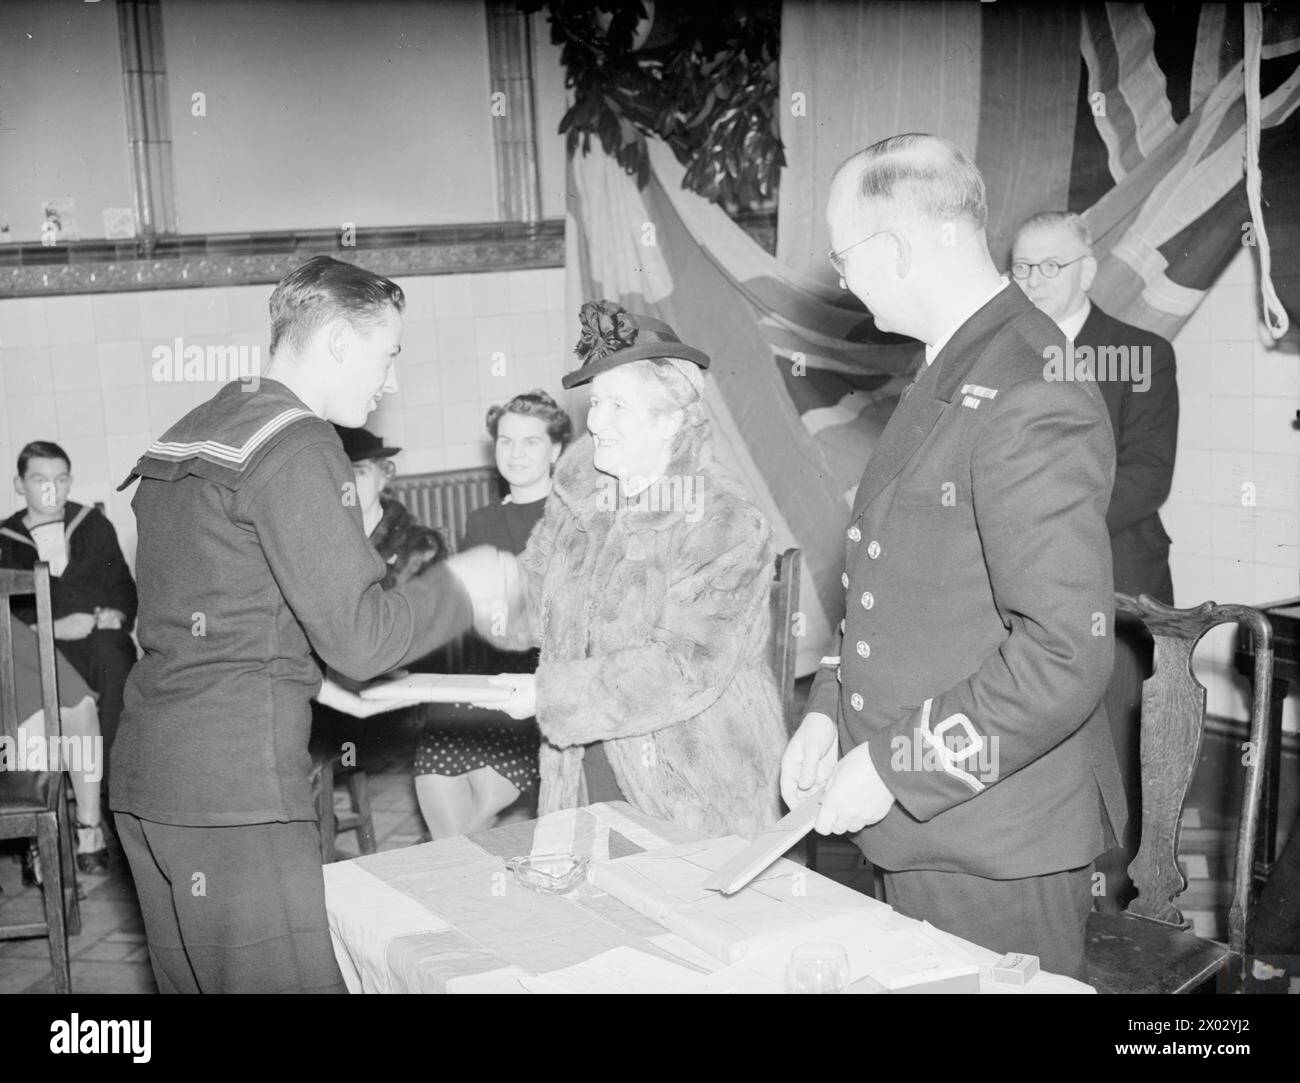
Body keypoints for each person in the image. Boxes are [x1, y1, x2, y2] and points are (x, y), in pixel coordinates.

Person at [109, 255, 517, 994]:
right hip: (238, 793)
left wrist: (312, 676)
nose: (389, 379)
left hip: (149, 780)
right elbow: (363, 638)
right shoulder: (297, 443)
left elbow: (227, 605)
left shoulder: (193, 431)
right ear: (337, 340)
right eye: (387, 353)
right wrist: (463, 583)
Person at [781, 134, 1127, 981]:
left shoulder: (1029, 384)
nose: (844, 280)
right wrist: (830, 707)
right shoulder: (954, 361)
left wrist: (899, 768)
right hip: (924, 823)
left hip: (993, 841)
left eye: (842, 256)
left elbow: (1062, 655)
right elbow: (889, 581)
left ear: (894, 248)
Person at [487, 301, 787, 839]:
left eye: (618, 406)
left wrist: (551, 695)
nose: (596, 422)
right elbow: (532, 604)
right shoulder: (579, 497)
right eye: (596, 402)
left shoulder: (724, 520)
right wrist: (456, 597)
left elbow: (683, 669)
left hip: (692, 784)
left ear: (671, 419)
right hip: (580, 770)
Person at [1011, 211, 1179, 912]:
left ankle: (1113, 918)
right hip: (1021, 583)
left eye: (1051, 265)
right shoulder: (1005, 353)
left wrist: (1040, 525)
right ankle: (1041, 901)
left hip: (1116, 583)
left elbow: (1147, 478)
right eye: (1021, 267)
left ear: (1088, 267)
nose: (1034, 280)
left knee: (1113, 755)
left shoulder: (1139, 353)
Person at [412, 390, 572, 838]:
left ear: (556, 449)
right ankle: (459, 868)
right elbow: (474, 616)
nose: (515, 453)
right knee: (435, 771)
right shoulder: (480, 521)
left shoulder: (573, 518)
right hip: (482, 673)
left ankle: (452, 864)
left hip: (539, 676)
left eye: (531, 442)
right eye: (505, 441)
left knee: (476, 806)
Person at [2, 440, 138, 820]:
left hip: (99, 643)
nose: (51, 489)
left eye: (60, 479)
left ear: (70, 481)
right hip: (40, 653)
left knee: (114, 654)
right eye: (39, 479)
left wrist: (118, 613)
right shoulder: (5, 539)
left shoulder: (92, 524)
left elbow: (124, 586)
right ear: (19, 484)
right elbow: (6, 620)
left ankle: (117, 798)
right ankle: (45, 811)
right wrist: (56, 628)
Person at [4, 615, 108, 885]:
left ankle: (88, 828)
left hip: (9, 627)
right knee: (31, 713)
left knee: (80, 704)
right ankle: (41, 845)